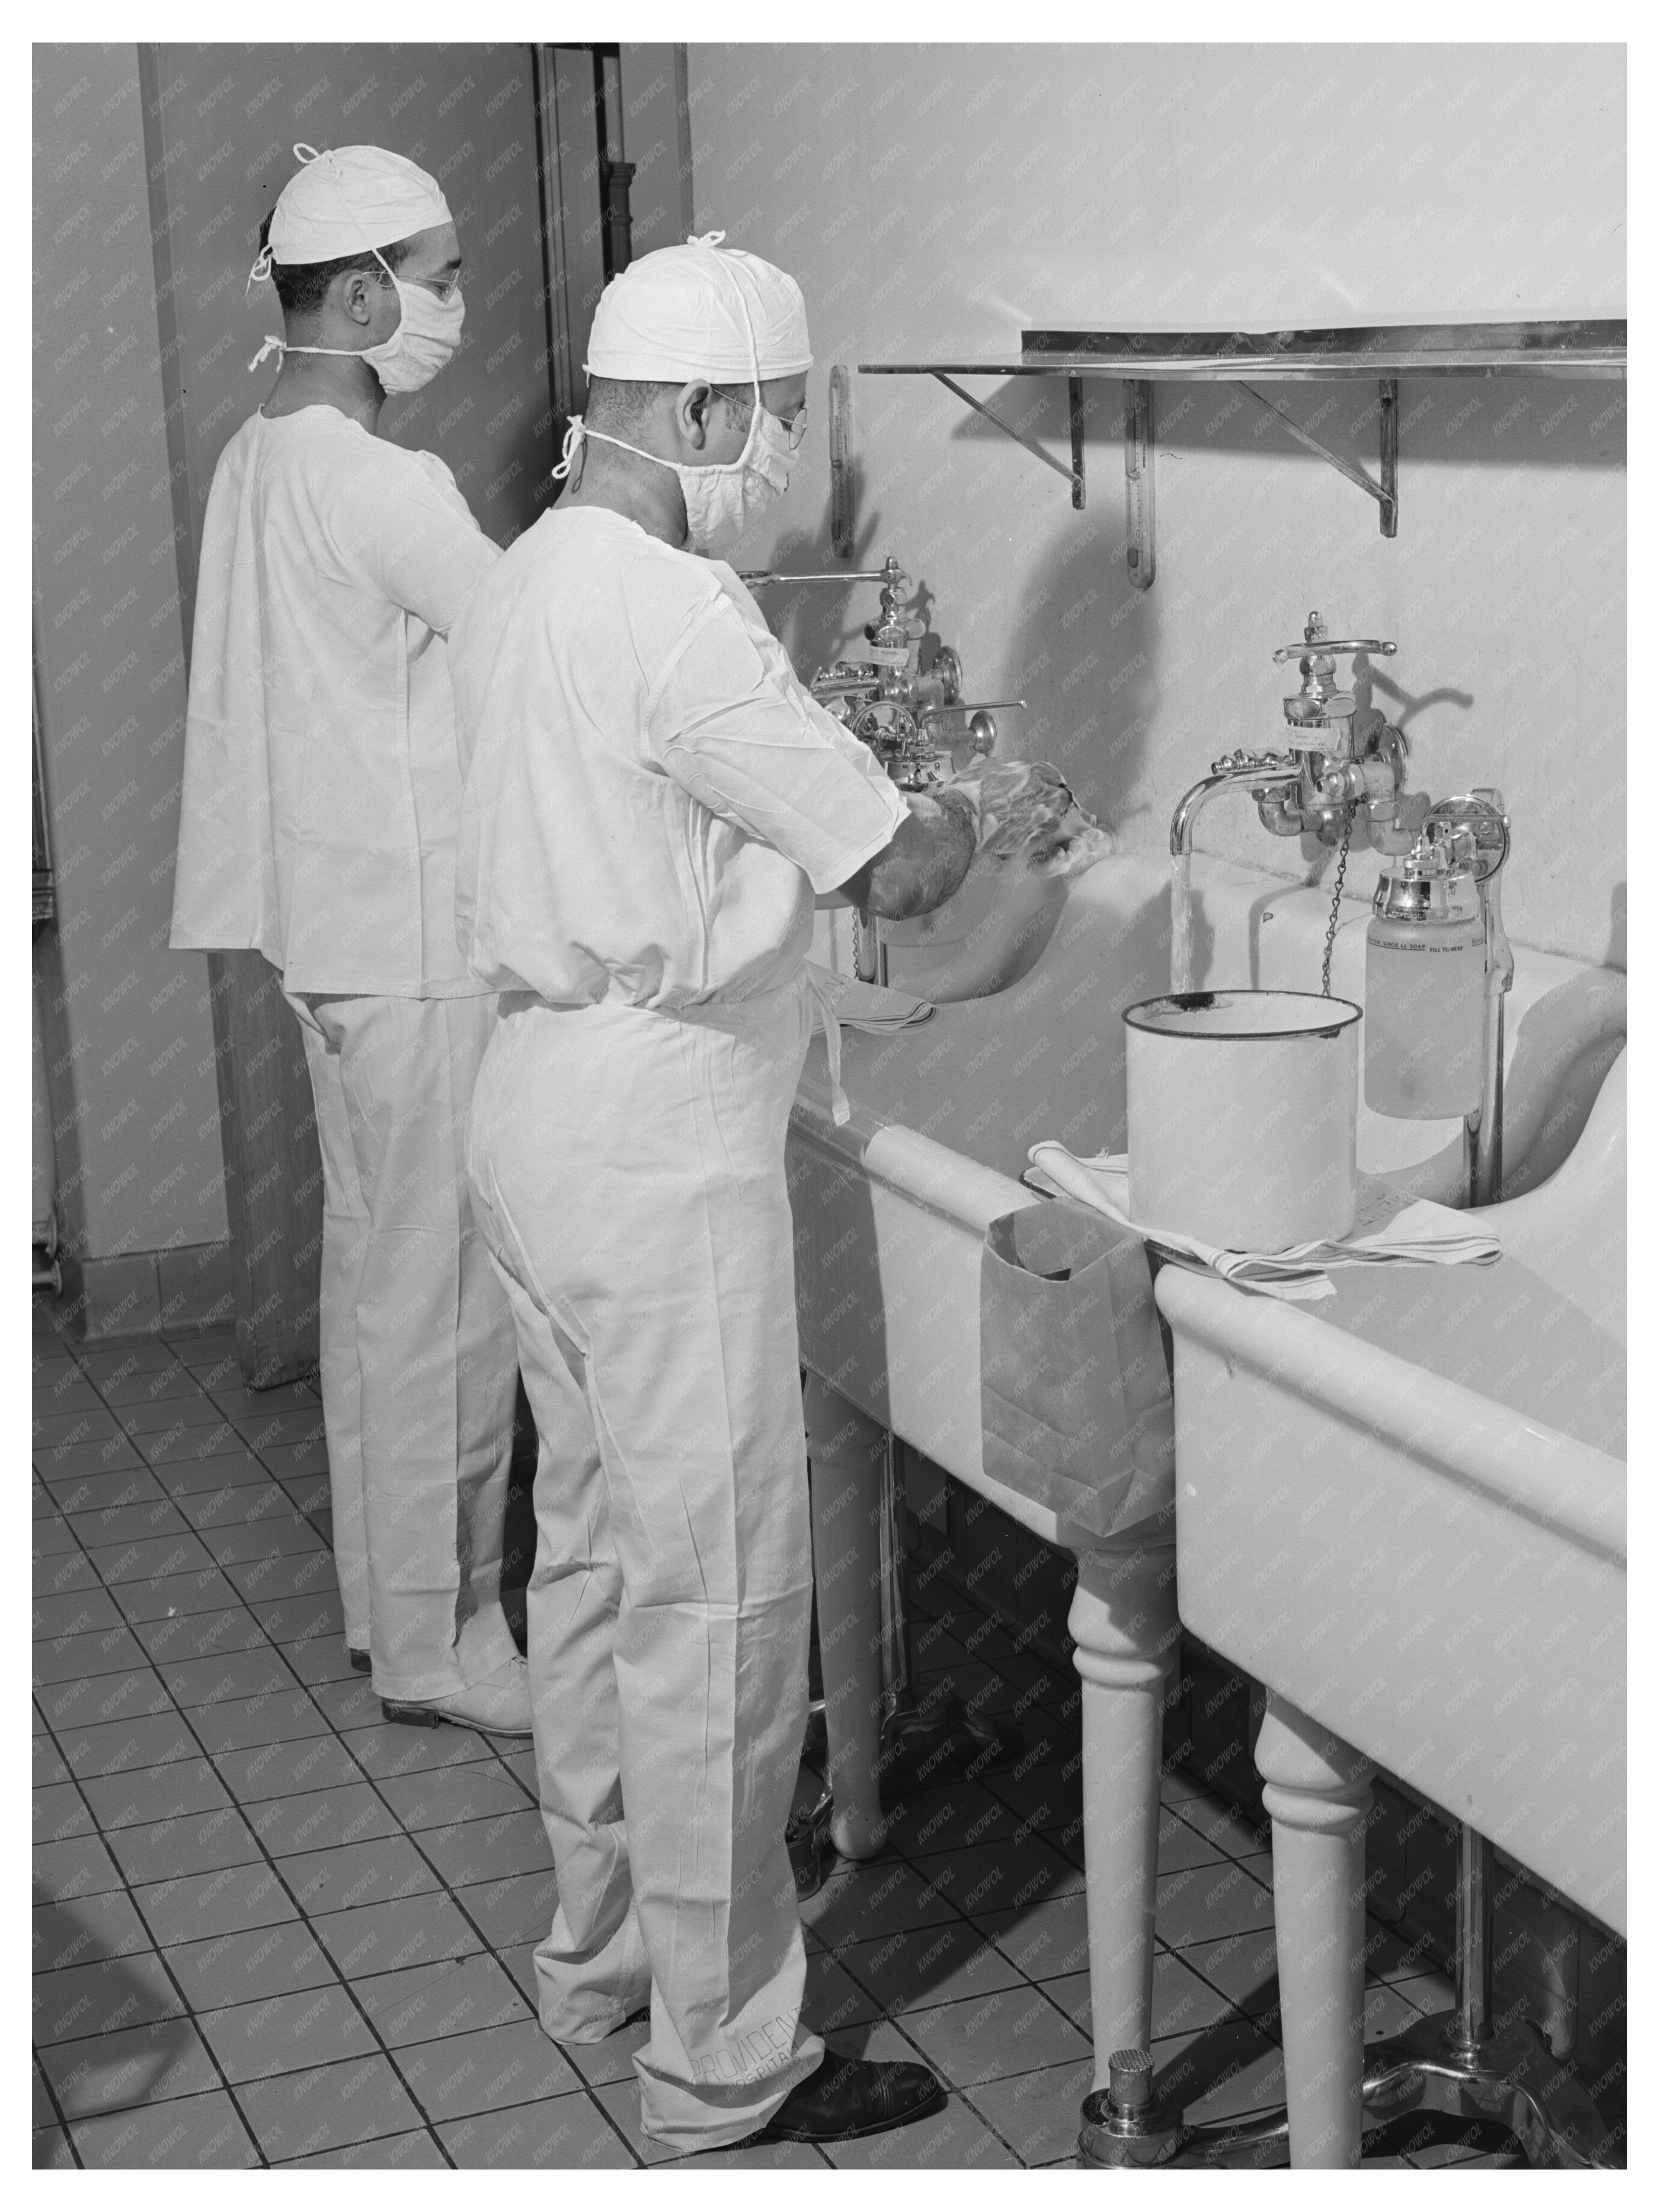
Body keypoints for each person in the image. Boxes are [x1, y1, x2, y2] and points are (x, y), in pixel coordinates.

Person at [451, 231, 1021, 2151]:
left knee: (599, 1561)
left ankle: (598, 1952)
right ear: (698, 409)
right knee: (720, 1601)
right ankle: (721, 2066)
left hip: (529, 1098)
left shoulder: (527, 581)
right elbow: (897, 871)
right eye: (775, 424)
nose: (780, 463)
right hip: (660, 1137)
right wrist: (970, 811)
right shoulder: (681, 610)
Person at [170, 144, 528, 1735]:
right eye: (442, 277)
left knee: (376, 1282)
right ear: (368, 291)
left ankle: (393, 1619)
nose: (455, 305)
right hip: (423, 935)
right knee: (446, 1299)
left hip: (326, 936)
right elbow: (543, 648)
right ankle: (451, 1637)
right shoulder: (389, 483)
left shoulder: (267, 455)